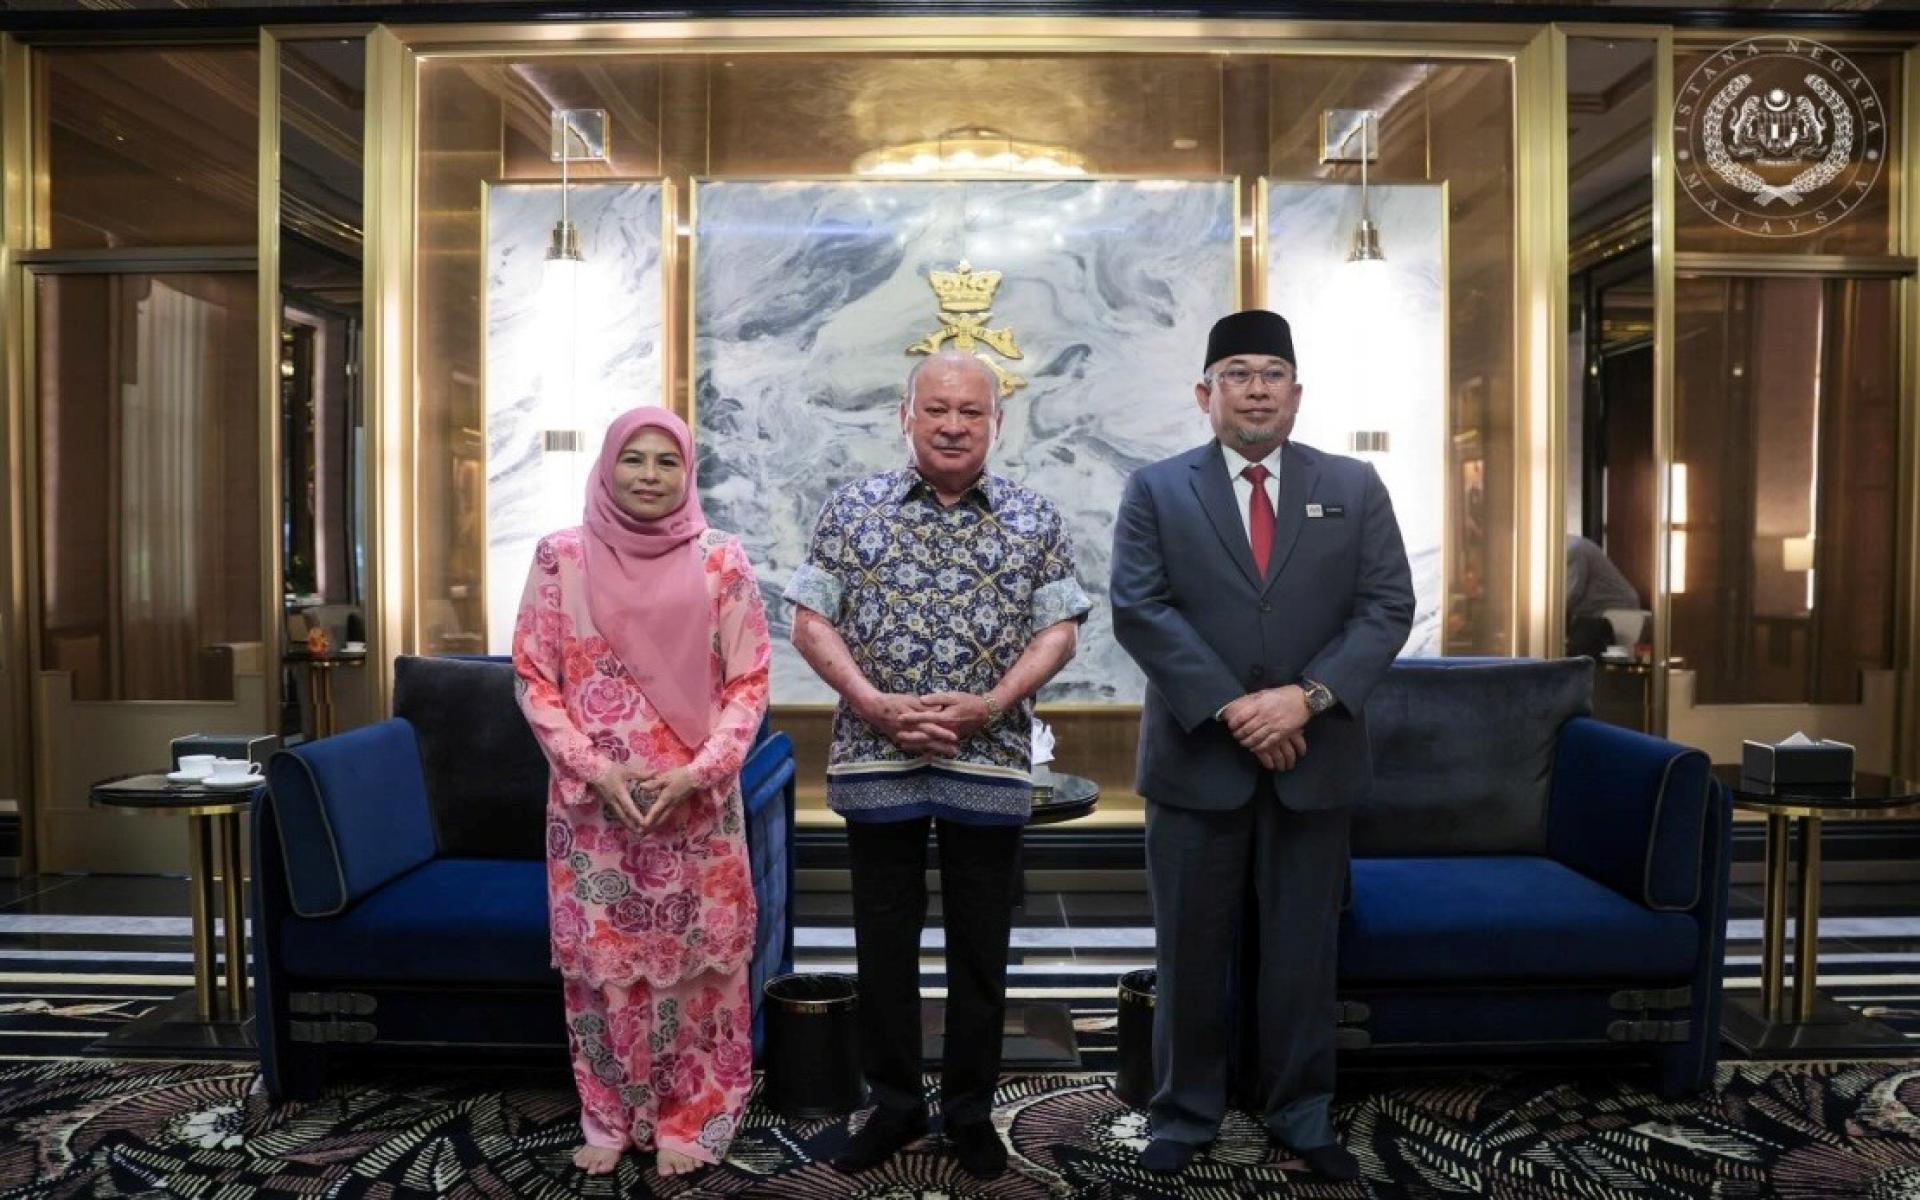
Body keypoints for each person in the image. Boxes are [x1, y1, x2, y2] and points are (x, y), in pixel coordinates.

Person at [1110, 310, 1413, 1181]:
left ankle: (1301, 1111)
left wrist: (1304, 701)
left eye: (1271, 374)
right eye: (1236, 374)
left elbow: (1386, 606)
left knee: (1302, 954)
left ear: (1297, 393)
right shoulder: (1157, 490)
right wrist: (1239, 709)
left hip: (1314, 762)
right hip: (1196, 763)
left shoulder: (1353, 485)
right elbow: (1141, 607)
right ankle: (1184, 1110)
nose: (1255, 389)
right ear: (1204, 394)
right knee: (1189, 953)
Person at [785, 349, 1091, 1180]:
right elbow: (810, 619)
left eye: (971, 411)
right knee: (883, 945)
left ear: (997, 422)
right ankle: (892, 1106)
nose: (953, 426)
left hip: (988, 758)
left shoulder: (1034, 516)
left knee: (980, 950)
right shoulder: (852, 510)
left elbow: (1060, 630)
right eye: (937, 409)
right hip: (875, 756)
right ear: (906, 417)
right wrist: (872, 702)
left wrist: (992, 703)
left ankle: (969, 1112)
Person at [512, 406, 771, 1181]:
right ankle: (609, 1114)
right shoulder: (561, 557)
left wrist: (700, 772)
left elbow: (750, 682)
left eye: (668, 461)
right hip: (595, 807)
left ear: (688, 473)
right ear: (607, 465)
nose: (650, 476)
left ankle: (694, 1114)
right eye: (635, 459)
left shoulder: (722, 560)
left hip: (696, 803)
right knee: (602, 971)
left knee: (703, 973)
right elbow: (533, 677)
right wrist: (595, 768)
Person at [1565, 533, 1642, 657]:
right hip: (1595, 613)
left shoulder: (1572, 550)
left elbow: (1571, 594)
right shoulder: (1571, 546)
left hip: (1616, 611)